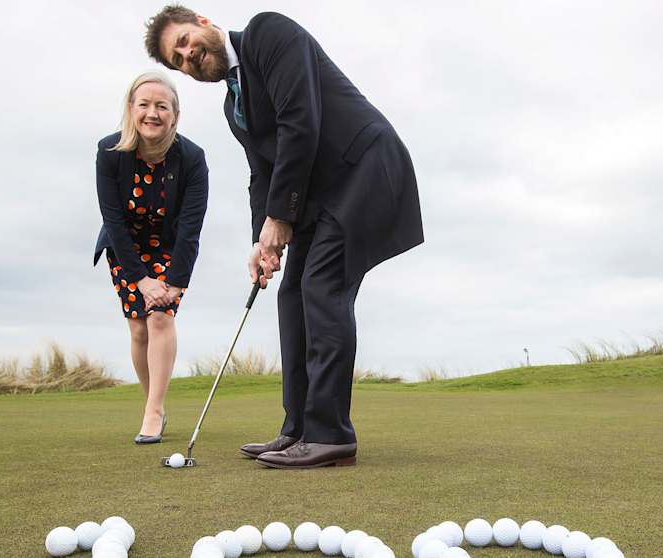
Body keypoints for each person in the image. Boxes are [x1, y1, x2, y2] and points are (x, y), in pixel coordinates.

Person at [144, 8, 423, 468]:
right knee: (291, 294)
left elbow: (300, 120)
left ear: (203, 22)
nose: (189, 54)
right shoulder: (234, 106)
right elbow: (262, 173)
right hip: (321, 194)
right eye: (179, 60)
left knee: (321, 287)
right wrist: (263, 240)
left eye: (186, 40)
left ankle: (331, 435)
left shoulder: (266, 33)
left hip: (365, 168)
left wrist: (280, 217)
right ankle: (298, 428)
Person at [93, 71, 209, 444]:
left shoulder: (192, 158)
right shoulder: (109, 153)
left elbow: (191, 227)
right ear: (131, 109)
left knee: (159, 317)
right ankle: (152, 404)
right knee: (139, 327)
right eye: (144, 105)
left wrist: (173, 283)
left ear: (174, 114)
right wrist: (140, 278)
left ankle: (153, 411)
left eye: (162, 106)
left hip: (170, 249)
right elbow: (112, 220)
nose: (152, 113)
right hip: (126, 248)